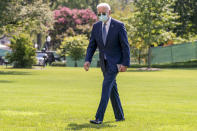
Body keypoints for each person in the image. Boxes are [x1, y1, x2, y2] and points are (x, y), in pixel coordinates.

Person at [84, 3, 130, 124]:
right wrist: (87, 60)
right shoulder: (96, 26)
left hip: (116, 64)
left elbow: (125, 46)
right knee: (112, 89)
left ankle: (99, 118)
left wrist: (125, 63)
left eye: (103, 13)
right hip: (104, 64)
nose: (101, 15)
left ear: (109, 12)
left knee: (105, 88)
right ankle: (120, 116)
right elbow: (92, 45)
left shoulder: (119, 26)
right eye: (99, 13)